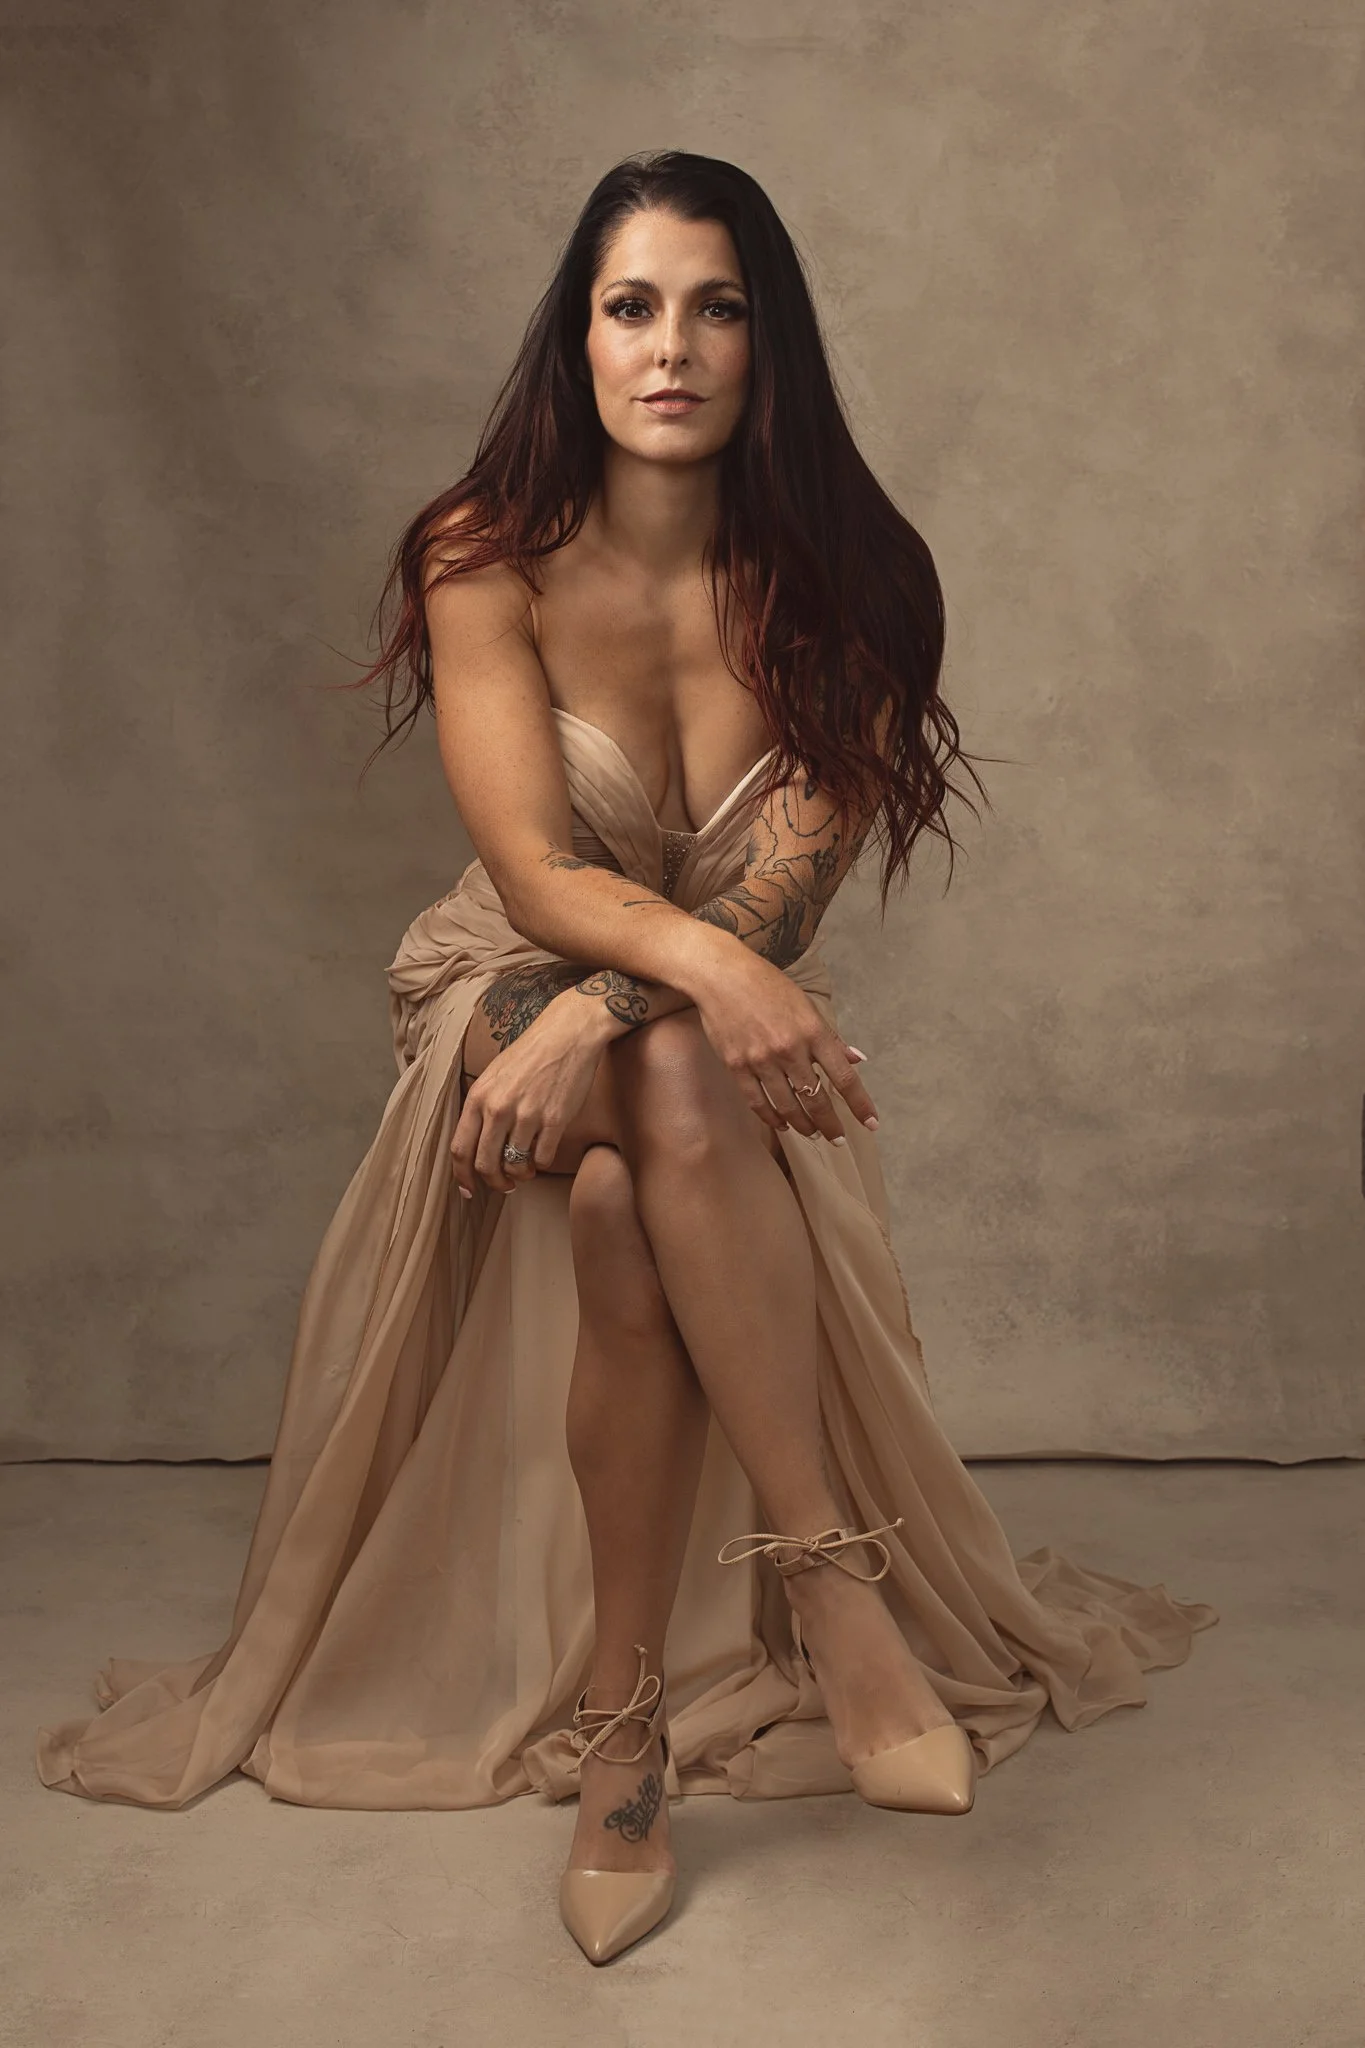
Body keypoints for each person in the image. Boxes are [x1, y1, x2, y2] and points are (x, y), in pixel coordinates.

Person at [35, 150, 1217, 1968]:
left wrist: (637, 1002)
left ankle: (626, 1734)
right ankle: (836, 1595)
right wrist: (620, 987)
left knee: (625, 1185)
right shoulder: (479, 556)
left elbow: (783, 903)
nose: (670, 348)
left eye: (715, 305)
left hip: (676, 1043)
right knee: (665, 1069)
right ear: (577, 339)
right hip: (503, 995)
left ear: (772, 342)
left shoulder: (861, 580)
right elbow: (533, 872)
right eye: (630, 305)